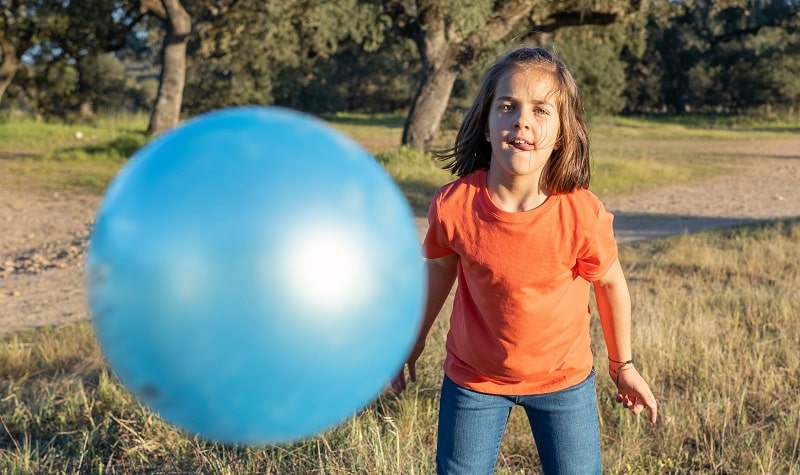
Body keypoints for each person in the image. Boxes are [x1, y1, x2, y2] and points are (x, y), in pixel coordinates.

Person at [391, 46, 658, 474]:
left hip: (563, 380)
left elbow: (610, 285)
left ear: (563, 133)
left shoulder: (581, 213)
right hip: (474, 380)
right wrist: (413, 339)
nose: (523, 121)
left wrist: (622, 365)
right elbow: (439, 270)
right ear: (486, 122)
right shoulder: (454, 205)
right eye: (508, 106)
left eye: (541, 110)